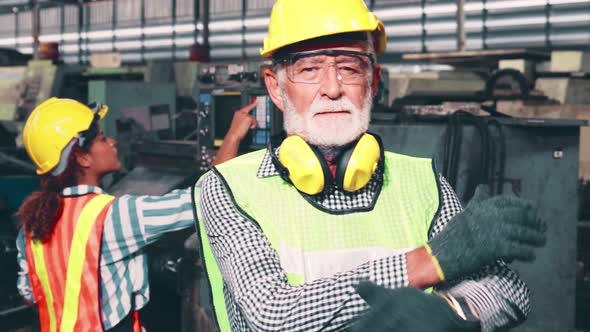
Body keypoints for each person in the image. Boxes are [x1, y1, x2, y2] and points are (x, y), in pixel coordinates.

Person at [193, 0, 547, 332]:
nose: (332, 88)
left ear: (373, 82)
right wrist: (428, 261)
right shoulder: (230, 187)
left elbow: (510, 288)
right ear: (276, 86)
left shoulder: (421, 181)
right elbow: (271, 314)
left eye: (349, 67)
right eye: (310, 68)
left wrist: (455, 312)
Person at [15, 97, 199, 332]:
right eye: (102, 139)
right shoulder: (111, 216)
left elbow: (29, 294)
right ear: (82, 157)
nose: (112, 142)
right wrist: (232, 137)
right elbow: (198, 202)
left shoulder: (31, 226)